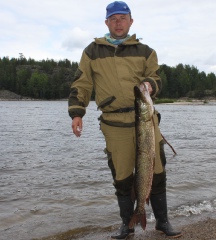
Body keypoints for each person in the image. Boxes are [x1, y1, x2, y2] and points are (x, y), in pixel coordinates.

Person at [68, 1, 182, 239]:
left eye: (123, 18)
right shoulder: (92, 51)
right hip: (114, 123)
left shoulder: (146, 51)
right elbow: (82, 83)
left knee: (156, 171)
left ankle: (162, 221)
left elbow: (156, 78)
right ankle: (127, 224)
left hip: (146, 120)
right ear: (106, 22)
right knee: (122, 176)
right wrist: (77, 112)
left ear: (131, 21)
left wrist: (150, 84)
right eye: (114, 18)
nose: (118, 22)